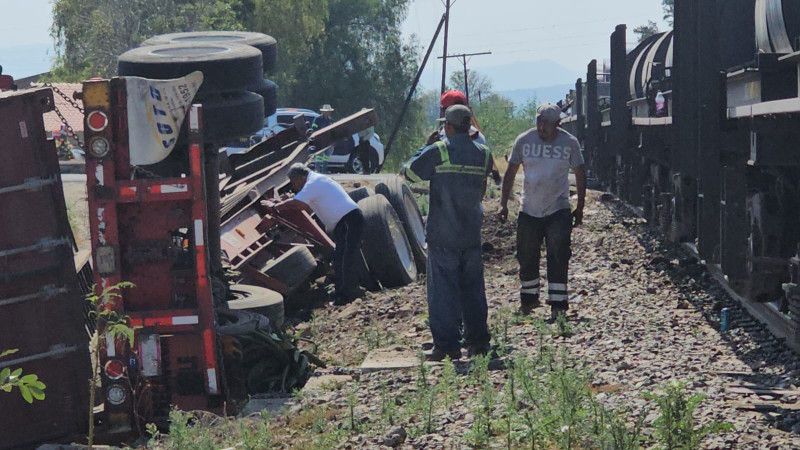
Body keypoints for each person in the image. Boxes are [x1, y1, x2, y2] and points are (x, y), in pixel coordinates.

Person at [402, 105, 493, 361]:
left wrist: (425, 146)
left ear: (448, 127)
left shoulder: (440, 150)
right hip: (471, 233)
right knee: (473, 291)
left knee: (442, 292)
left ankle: (446, 345)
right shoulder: (484, 154)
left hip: (443, 235)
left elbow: (409, 173)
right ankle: (478, 342)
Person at [499, 103, 587, 320]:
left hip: (558, 208)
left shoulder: (569, 143)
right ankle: (529, 301)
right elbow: (510, 173)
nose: (541, 127)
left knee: (558, 254)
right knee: (526, 254)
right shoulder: (524, 141)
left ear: (558, 124)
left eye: (546, 123)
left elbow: (580, 173)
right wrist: (503, 203)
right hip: (529, 209)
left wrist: (580, 206)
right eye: (539, 121)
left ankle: (558, 305)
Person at [268, 163, 363, 305]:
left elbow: (297, 203)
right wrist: (280, 202)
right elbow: (304, 206)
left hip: (348, 219)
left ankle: (345, 296)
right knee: (340, 257)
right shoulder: (316, 180)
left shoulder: (314, 182)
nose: (293, 186)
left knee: (344, 258)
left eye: (294, 182)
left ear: (300, 177)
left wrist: (275, 206)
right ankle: (343, 292)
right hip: (343, 221)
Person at [311, 104, 335, 173]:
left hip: (328, 141)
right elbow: (314, 129)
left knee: (326, 156)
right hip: (319, 140)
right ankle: (318, 170)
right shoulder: (318, 119)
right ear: (324, 111)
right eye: (328, 111)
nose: (329, 112)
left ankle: (324, 170)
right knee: (319, 156)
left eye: (330, 111)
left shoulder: (330, 120)